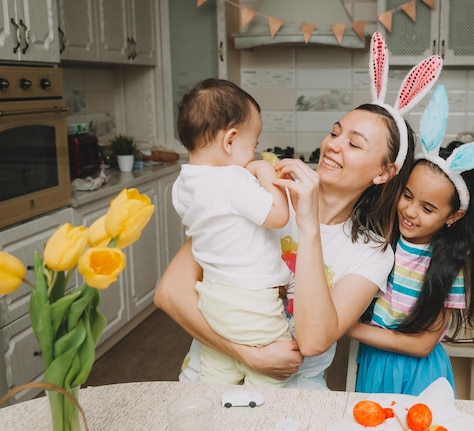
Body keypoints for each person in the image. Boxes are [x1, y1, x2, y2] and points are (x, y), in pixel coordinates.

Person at [154, 32, 444, 389]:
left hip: (293, 397)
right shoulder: (261, 193)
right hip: (207, 379)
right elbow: (170, 293)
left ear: (384, 173)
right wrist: (247, 354)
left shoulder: (372, 252)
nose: (333, 145)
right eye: (335, 133)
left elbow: (313, 341)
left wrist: (307, 225)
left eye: (353, 143)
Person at [351, 85, 474, 395]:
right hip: (373, 362)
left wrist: (348, 328)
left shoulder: (447, 265)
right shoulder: (382, 237)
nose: (410, 211)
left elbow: (424, 345)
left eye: (427, 208)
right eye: (407, 196)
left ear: (453, 216)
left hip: (419, 376)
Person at [171, 78, 292, 386]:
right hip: (253, 303)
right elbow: (278, 216)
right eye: (253, 146)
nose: (254, 154)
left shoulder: (182, 185)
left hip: (212, 300)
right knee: (270, 386)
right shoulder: (233, 180)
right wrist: (265, 173)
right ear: (230, 141)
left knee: (216, 381)